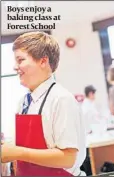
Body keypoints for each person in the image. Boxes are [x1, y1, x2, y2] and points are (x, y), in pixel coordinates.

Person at [1, 31, 86, 176]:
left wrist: (17, 152)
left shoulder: (61, 99)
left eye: (20, 60)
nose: (15, 67)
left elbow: (68, 158)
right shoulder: (23, 103)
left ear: (43, 61)